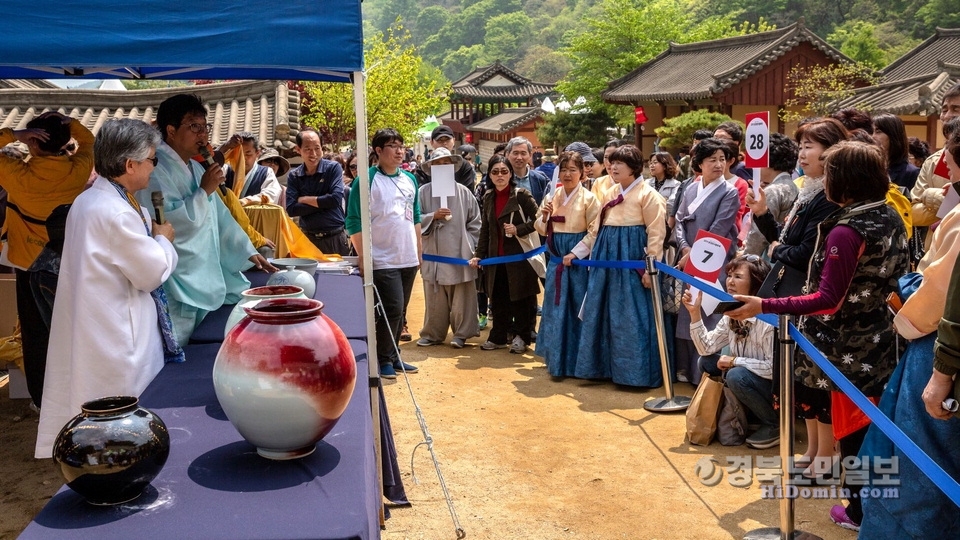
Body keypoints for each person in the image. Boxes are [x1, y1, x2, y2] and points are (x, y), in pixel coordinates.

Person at [728, 141, 909, 530]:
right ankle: (866, 507)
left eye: (830, 171)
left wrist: (764, 306)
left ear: (844, 179)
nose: (824, 178)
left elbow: (828, 300)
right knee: (869, 429)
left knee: (855, 432)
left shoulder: (846, 229)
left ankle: (860, 512)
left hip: (846, 345)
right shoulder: (890, 214)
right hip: (882, 338)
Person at [35, 119, 180, 458]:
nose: (153, 168)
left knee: (94, 404)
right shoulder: (115, 211)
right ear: (130, 165)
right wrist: (164, 240)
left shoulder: (92, 200)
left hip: (98, 317)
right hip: (116, 327)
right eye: (152, 160)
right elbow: (150, 273)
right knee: (121, 421)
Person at [856, 129, 960, 537]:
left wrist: (906, 314)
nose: (944, 165)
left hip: (938, 348)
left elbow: (941, 291)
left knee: (920, 459)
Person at [745, 118, 846, 470]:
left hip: (813, 298)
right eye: (801, 146)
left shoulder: (830, 199)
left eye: (810, 146)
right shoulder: (808, 191)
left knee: (817, 381)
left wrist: (775, 250)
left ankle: (826, 455)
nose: (803, 153)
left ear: (831, 152)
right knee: (802, 381)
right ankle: (814, 451)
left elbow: (802, 251)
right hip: (796, 298)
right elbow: (787, 242)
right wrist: (762, 217)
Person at [136, 94, 271, 346]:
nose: (202, 134)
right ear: (171, 130)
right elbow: (168, 224)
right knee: (178, 344)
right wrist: (204, 191)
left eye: (204, 127)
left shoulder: (196, 168)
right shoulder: (155, 170)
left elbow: (219, 217)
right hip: (177, 275)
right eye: (194, 127)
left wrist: (246, 250)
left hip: (201, 268)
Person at [0, 111, 94, 407]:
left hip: (28, 261)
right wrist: (71, 124)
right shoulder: (78, 170)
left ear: (35, 143)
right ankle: (79, 391)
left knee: (36, 333)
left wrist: (15, 135)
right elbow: (89, 142)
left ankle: (42, 399)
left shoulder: (17, 174)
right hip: (67, 260)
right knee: (71, 327)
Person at [575, 145, 667, 386]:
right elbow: (597, 227)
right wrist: (583, 253)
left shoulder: (649, 196)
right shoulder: (608, 192)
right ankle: (603, 368)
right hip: (607, 258)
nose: (613, 167)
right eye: (612, 162)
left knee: (631, 315)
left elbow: (656, 233)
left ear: (634, 168)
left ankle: (636, 373)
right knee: (603, 311)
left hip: (631, 257)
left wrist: (650, 267)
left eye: (620, 164)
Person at [345, 128, 422, 379]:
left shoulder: (410, 179)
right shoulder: (366, 180)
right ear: (378, 151)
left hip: (407, 256)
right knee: (391, 307)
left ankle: (395, 354)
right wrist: (364, 257)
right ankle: (383, 358)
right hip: (382, 257)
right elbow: (354, 220)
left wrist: (419, 252)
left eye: (401, 145)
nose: (400, 151)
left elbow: (416, 218)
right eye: (393, 146)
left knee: (401, 310)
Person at [683, 255, 777, 448]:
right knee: (706, 361)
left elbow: (773, 369)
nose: (730, 282)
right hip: (746, 381)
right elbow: (706, 347)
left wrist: (734, 361)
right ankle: (742, 412)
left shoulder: (770, 320)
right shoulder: (732, 312)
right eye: (729, 275)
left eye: (738, 277)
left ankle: (773, 423)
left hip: (773, 390)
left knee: (736, 375)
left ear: (756, 283)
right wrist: (694, 313)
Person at [673, 138, 741, 383]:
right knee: (690, 308)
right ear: (699, 163)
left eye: (722, 159)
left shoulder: (730, 192)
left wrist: (692, 253)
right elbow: (679, 221)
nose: (718, 164)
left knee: (710, 312)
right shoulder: (691, 187)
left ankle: (706, 374)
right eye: (712, 159)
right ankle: (687, 370)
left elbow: (718, 229)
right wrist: (684, 247)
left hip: (715, 260)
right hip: (688, 257)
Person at [533, 151, 601, 377]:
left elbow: (594, 232)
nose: (568, 174)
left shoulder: (590, 199)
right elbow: (540, 228)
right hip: (555, 262)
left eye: (573, 169)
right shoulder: (552, 196)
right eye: (564, 169)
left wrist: (575, 253)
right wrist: (544, 216)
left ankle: (575, 362)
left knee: (574, 310)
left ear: (582, 173)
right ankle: (555, 359)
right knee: (554, 309)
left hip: (577, 264)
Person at [469, 155, 541, 354]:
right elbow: (485, 230)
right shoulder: (489, 196)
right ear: (489, 175)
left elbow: (540, 220)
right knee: (498, 299)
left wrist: (519, 229)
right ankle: (499, 335)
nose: (500, 176)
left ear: (510, 174)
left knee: (521, 299)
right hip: (496, 258)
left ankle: (522, 336)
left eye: (504, 171)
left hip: (519, 258)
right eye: (495, 172)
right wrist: (479, 254)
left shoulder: (521, 195)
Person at [416, 148, 481, 349]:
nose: (442, 167)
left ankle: (461, 333)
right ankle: (433, 333)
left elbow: (475, 223)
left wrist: (468, 244)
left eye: (446, 163)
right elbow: (414, 220)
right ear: (430, 168)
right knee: (434, 297)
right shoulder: (422, 192)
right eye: (437, 164)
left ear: (453, 167)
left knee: (462, 297)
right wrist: (431, 217)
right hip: (433, 254)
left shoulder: (464, 192)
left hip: (459, 253)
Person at [285, 127, 350, 255]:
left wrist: (305, 200)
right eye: (308, 149)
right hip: (308, 239)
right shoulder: (294, 175)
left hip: (334, 238)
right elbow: (292, 209)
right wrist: (324, 202)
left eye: (317, 148)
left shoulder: (333, 168)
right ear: (298, 150)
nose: (313, 154)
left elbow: (335, 199)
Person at [911, 84, 960, 249]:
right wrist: (943, 200)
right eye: (944, 109)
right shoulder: (933, 161)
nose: (948, 115)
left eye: (956, 109)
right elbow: (912, 211)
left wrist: (929, 197)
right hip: (936, 251)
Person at [743, 133, 800, 257]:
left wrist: (746, 258)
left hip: (769, 255)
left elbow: (759, 235)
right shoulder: (791, 185)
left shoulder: (772, 190)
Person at [220, 132, 282, 205]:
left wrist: (247, 201)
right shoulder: (226, 169)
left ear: (257, 153)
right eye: (239, 154)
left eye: (248, 154)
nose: (243, 158)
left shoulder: (266, 172)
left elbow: (271, 194)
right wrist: (226, 146)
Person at [415, 125, 476, 191]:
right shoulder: (423, 169)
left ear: (454, 141)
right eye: (440, 140)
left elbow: (468, 193)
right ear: (431, 142)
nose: (444, 143)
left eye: (448, 139)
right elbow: (420, 194)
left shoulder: (464, 166)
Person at [873, 113, 920, 191]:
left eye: (878, 131)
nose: (873, 136)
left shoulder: (911, 173)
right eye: (872, 131)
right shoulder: (871, 169)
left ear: (893, 135)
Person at [506, 136, 550, 205]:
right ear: (508, 155)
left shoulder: (540, 179)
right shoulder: (502, 178)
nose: (519, 157)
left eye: (523, 153)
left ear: (530, 155)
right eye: (515, 153)